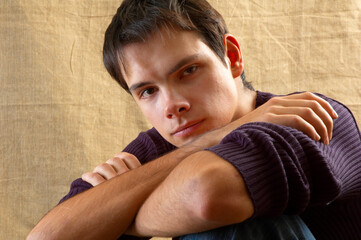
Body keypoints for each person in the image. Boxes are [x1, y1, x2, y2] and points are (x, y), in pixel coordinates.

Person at [27, 0, 361, 239]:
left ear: (231, 57)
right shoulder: (164, 145)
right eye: (147, 91)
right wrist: (214, 138)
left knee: (234, 216)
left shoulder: (311, 117)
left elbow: (207, 195)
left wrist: (122, 218)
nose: (172, 106)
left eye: (188, 71)